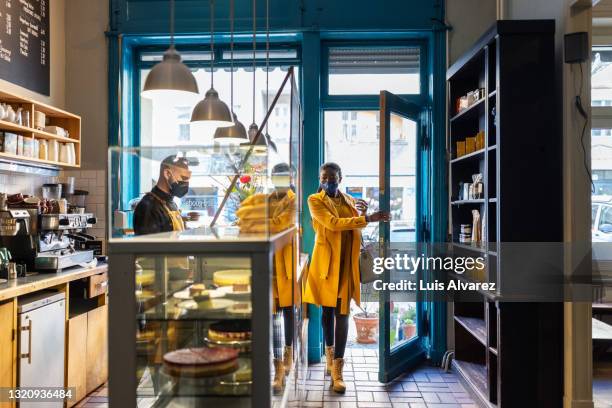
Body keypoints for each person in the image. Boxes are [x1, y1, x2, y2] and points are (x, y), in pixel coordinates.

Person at [303, 162, 390, 394]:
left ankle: (338, 370)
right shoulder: (315, 200)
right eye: (324, 177)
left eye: (332, 177)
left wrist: (362, 214)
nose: (328, 181)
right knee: (327, 312)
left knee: (342, 314)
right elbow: (332, 224)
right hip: (326, 267)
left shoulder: (350, 200)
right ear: (320, 179)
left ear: (340, 178)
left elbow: (354, 230)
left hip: (346, 268)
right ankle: (330, 357)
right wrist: (368, 218)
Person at [133, 155, 191, 235]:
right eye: (183, 178)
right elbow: (149, 246)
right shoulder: (148, 207)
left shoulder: (171, 203)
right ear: (167, 174)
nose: (186, 183)